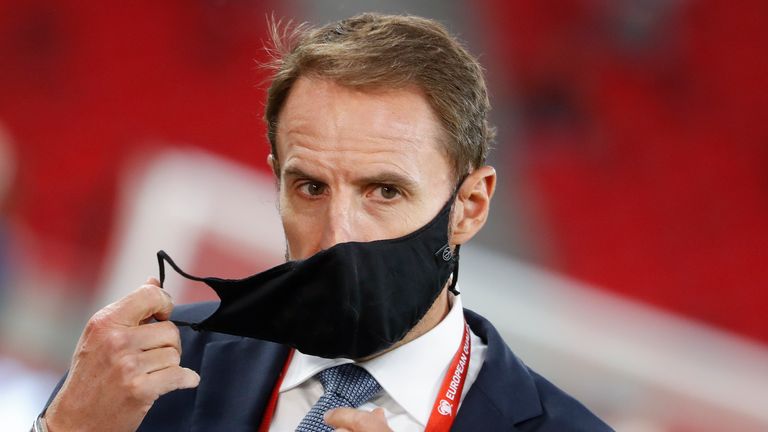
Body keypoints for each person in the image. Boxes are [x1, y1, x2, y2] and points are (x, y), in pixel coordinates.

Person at [37, 13, 612, 432]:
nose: (338, 235)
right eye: (310, 187)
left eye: (384, 191)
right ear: (276, 183)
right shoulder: (142, 376)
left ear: (470, 206)